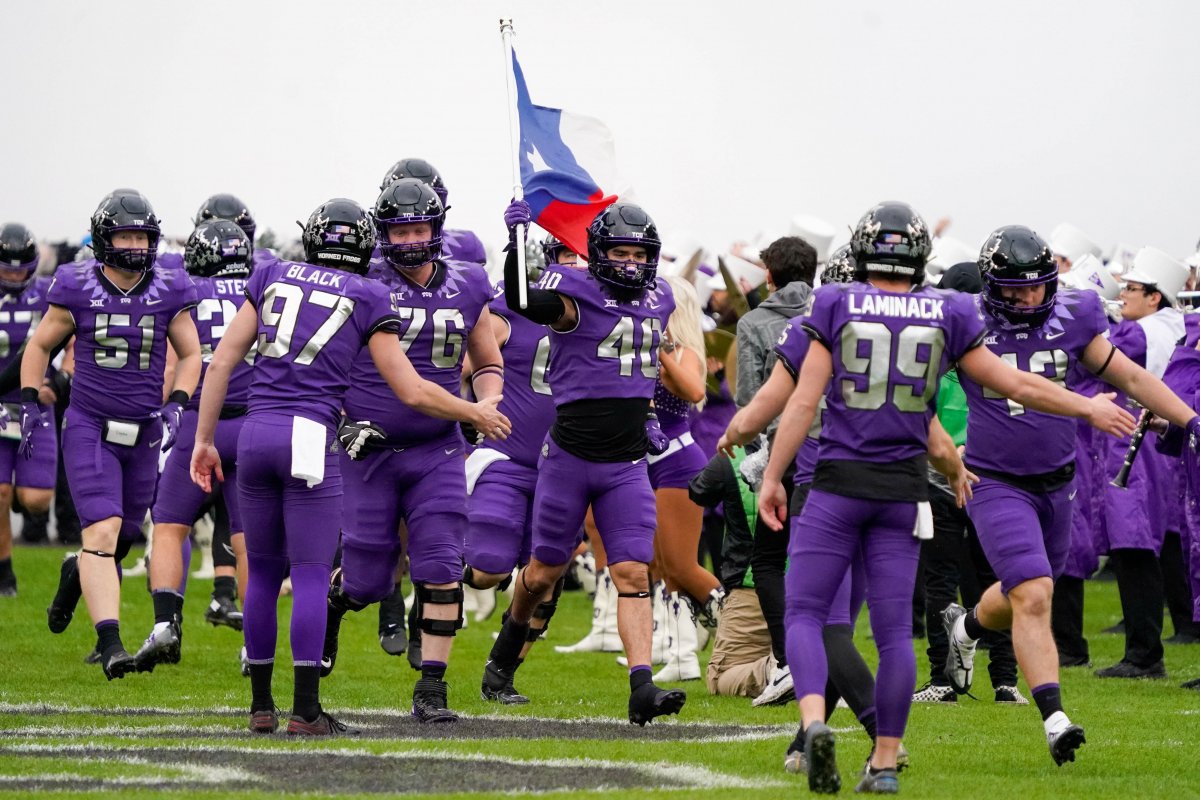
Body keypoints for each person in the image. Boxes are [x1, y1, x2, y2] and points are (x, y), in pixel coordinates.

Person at [758, 202, 1137, 794]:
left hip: (836, 482)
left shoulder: (835, 302)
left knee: (810, 613)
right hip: (904, 490)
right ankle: (884, 761)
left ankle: (811, 726)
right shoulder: (946, 310)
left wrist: (770, 472)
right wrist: (1080, 408)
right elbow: (1005, 385)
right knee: (890, 634)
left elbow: (801, 402)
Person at [190, 197, 509, 736]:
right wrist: (470, 412)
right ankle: (307, 710)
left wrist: (203, 440)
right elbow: (409, 388)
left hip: (257, 431)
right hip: (314, 437)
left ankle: (261, 706)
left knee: (265, 574)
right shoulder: (366, 292)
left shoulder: (269, 272)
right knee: (314, 576)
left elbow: (221, 361)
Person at [942, 229, 1197, 771]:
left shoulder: (1077, 312)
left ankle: (964, 628)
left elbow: (1126, 373)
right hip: (994, 480)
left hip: (1058, 481)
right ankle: (1056, 719)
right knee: (1034, 593)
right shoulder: (963, 319)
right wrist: (943, 452)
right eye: (1017, 290)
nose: (1030, 299)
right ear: (992, 287)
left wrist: (1191, 420)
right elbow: (1002, 388)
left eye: (1039, 288)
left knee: (1025, 591)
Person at [482, 199, 685, 726]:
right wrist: (518, 243)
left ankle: (642, 686)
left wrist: (645, 413)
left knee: (631, 570)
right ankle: (503, 660)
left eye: (640, 253)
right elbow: (525, 298)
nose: (631, 263)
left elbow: (635, 367)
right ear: (597, 253)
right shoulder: (578, 295)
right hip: (569, 458)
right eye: (620, 251)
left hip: (626, 463)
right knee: (544, 571)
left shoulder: (660, 297)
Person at [320, 179, 501, 723]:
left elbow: (489, 360)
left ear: (436, 229)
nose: (409, 240)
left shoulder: (468, 283)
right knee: (368, 580)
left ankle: (432, 690)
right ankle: (337, 604)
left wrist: (487, 401)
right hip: (369, 449)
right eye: (399, 230)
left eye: (418, 229)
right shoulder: (362, 279)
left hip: (436, 449)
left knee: (443, 562)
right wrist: (342, 419)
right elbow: (323, 358)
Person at [21, 189, 203, 680]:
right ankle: (111, 643)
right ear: (104, 238)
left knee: (122, 536)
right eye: (125, 234)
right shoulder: (77, 283)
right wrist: (27, 396)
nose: (135, 245)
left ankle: (73, 573)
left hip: (145, 429)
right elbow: (40, 345)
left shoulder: (169, 285)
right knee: (101, 533)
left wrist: (179, 403)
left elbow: (191, 355)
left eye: (142, 236)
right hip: (90, 425)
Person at [134, 219, 255, 670]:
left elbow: (170, 367)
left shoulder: (182, 290)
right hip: (251, 427)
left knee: (169, 525)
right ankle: (253, 643)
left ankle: (166, 624)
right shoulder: (263, 289)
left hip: (197, 425)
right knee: (247, 540)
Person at [465, 235, 577, 704]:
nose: (578, 264)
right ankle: (435, 569)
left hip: (567, 465)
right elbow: (465, 359)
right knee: (488, 570)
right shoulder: (509, 311)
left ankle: (502, 671)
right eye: (568, 254)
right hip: (508, 457)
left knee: (543, 578)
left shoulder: (609, 317)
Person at [1090, 247, 1189, 678]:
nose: (1123, 293)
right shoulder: (1178, 325)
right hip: (1169, 443)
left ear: (1155, 297)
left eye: (1132, 287)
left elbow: (1091, 362)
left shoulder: (1135, 334)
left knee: (1132, 544)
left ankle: (1143, 654)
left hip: (1138, 439)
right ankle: (1159, 640)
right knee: (1164, 544)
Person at [732, 235, 818, 704]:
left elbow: (749, 397)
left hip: (783, 452)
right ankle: (823, 659)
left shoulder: (755, 323)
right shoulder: (828, 312)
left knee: (768, 560)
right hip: (829, 448)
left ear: (770, 274)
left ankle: (788, 661)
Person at [647, 274, 714, 683]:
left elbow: (693, 389)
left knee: (683, 565)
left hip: (678, 463)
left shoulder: (685, 350)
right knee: (665, 567)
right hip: (652, 464)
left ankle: (749, 629)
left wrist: (664, 356)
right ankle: (683, 653)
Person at [0, 223, 56, 597]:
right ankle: (5, 572)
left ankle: (20, 500)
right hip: (0, 404)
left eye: (22, 267)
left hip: (36, 405)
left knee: (36, 500)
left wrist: (58, 382)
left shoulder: (49, 294)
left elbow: (68, 341)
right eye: (9, 268)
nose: (16, 274)